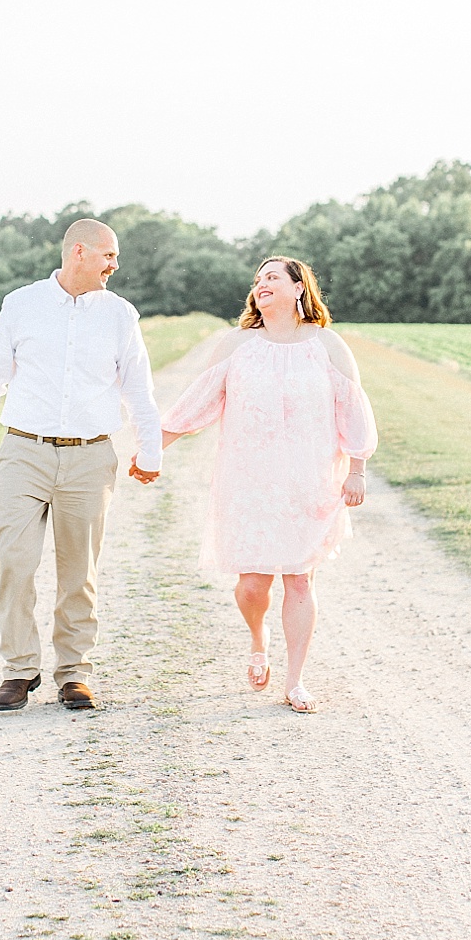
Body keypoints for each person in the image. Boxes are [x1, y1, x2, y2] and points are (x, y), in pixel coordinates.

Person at [0, 219, 162, 713]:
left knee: (79, 570)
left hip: (90, 456)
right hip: (23, 450)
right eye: (108, 255)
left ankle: (74, 672)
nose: (115, 265)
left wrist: (149, 448)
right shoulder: (21, 304)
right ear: (79, 252)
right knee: (11, 558)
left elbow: (138, 387)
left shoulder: (120, 315)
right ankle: (19, 669)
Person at [159, 256, 377, 713]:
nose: (262, 285)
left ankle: (295, 681)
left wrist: (357, 467)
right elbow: (200, 401)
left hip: (309, 482)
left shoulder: (328, 345)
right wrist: (156, 444)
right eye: (258, 280)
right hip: (249, 481)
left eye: (273, 277)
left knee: (299, 580)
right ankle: (259, 639)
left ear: (300, 288)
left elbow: (351, 408)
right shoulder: (238, 344)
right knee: (253, 585)